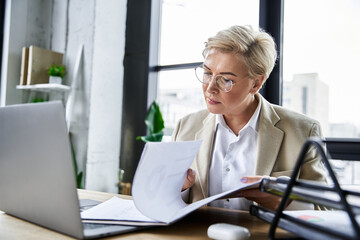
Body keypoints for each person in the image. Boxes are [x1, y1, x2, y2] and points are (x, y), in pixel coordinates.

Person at [172, 25, 327, 211]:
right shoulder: (186, 126)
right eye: (207, 73)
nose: (210, 88)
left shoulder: (303, 131)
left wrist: (287, 202)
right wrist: (178, 188)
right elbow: (168, 201)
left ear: (256, 83)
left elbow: (326, 210)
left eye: (226, 79)